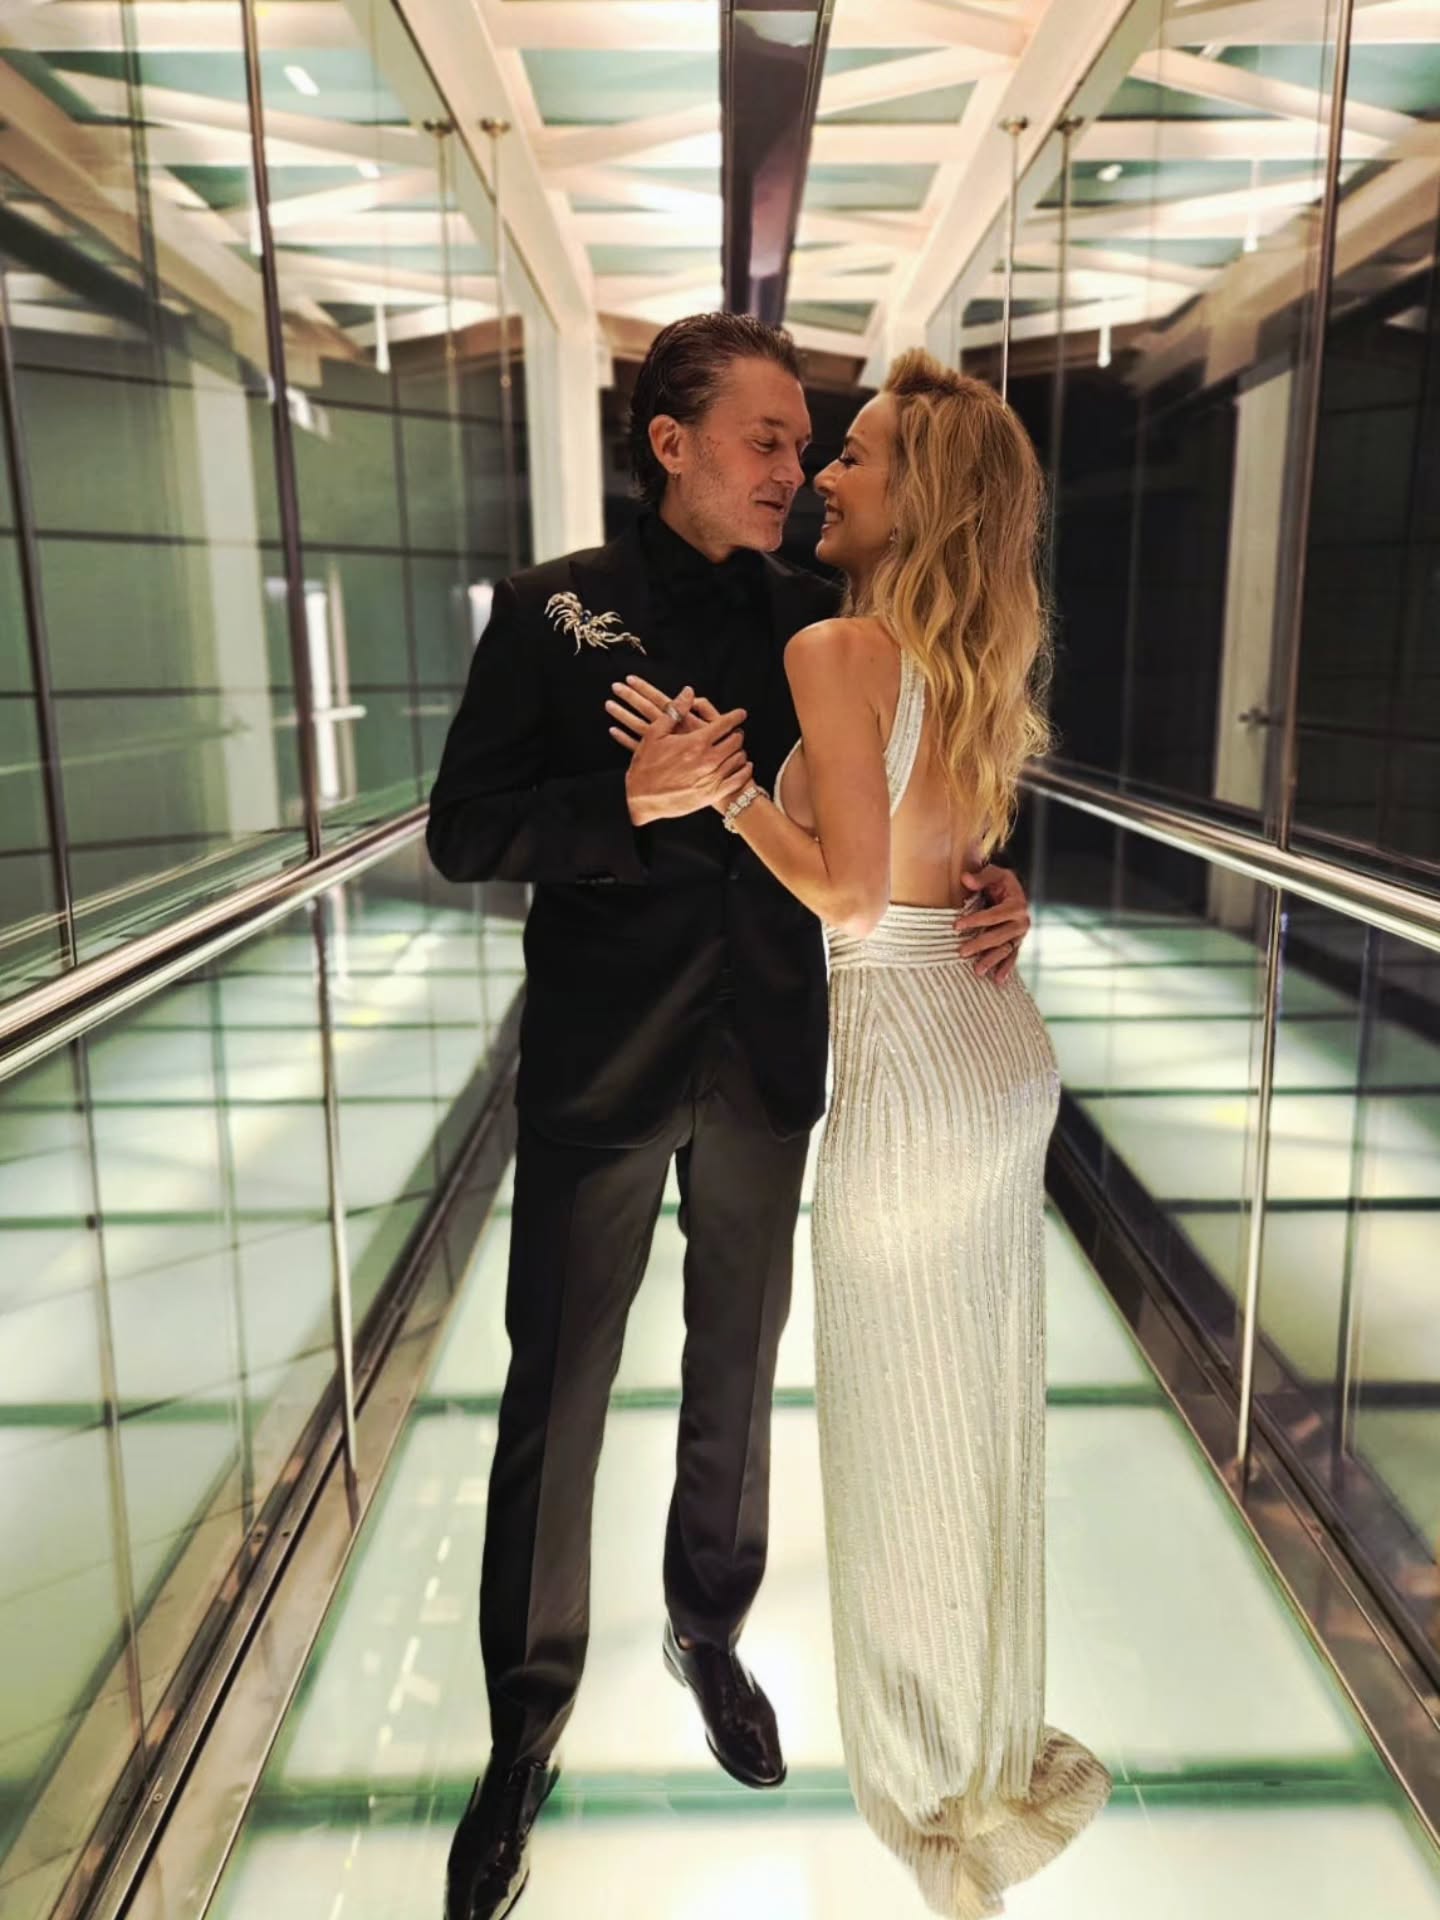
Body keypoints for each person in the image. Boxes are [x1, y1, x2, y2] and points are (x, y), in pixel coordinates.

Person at [427, 314, 1034, 1920]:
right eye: (766, 438)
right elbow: (461, 831)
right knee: (555, 1393)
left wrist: (991, 885)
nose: (794, 467)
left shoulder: (825, 617)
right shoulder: (551, 611)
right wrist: (626, 804)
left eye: (808, 443)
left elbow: (901, 807)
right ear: (671, 442)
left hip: (769, 1055)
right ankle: (523, 1732)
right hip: (599, 1061)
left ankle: (710, 1630)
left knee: (738, 1372)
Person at [610, 351, 1110, 1918]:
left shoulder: (836, 647)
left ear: (923, 500)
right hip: (995, 1051)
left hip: (906, 1059)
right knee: (977, 1424)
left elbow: (848, 894)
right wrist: (988, 894)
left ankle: (935, 1801)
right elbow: (947, 869)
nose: (825, 474)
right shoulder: (972, 655)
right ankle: (979, 1749)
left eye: (861, 457)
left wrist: (727, 792)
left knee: (901, 1448)